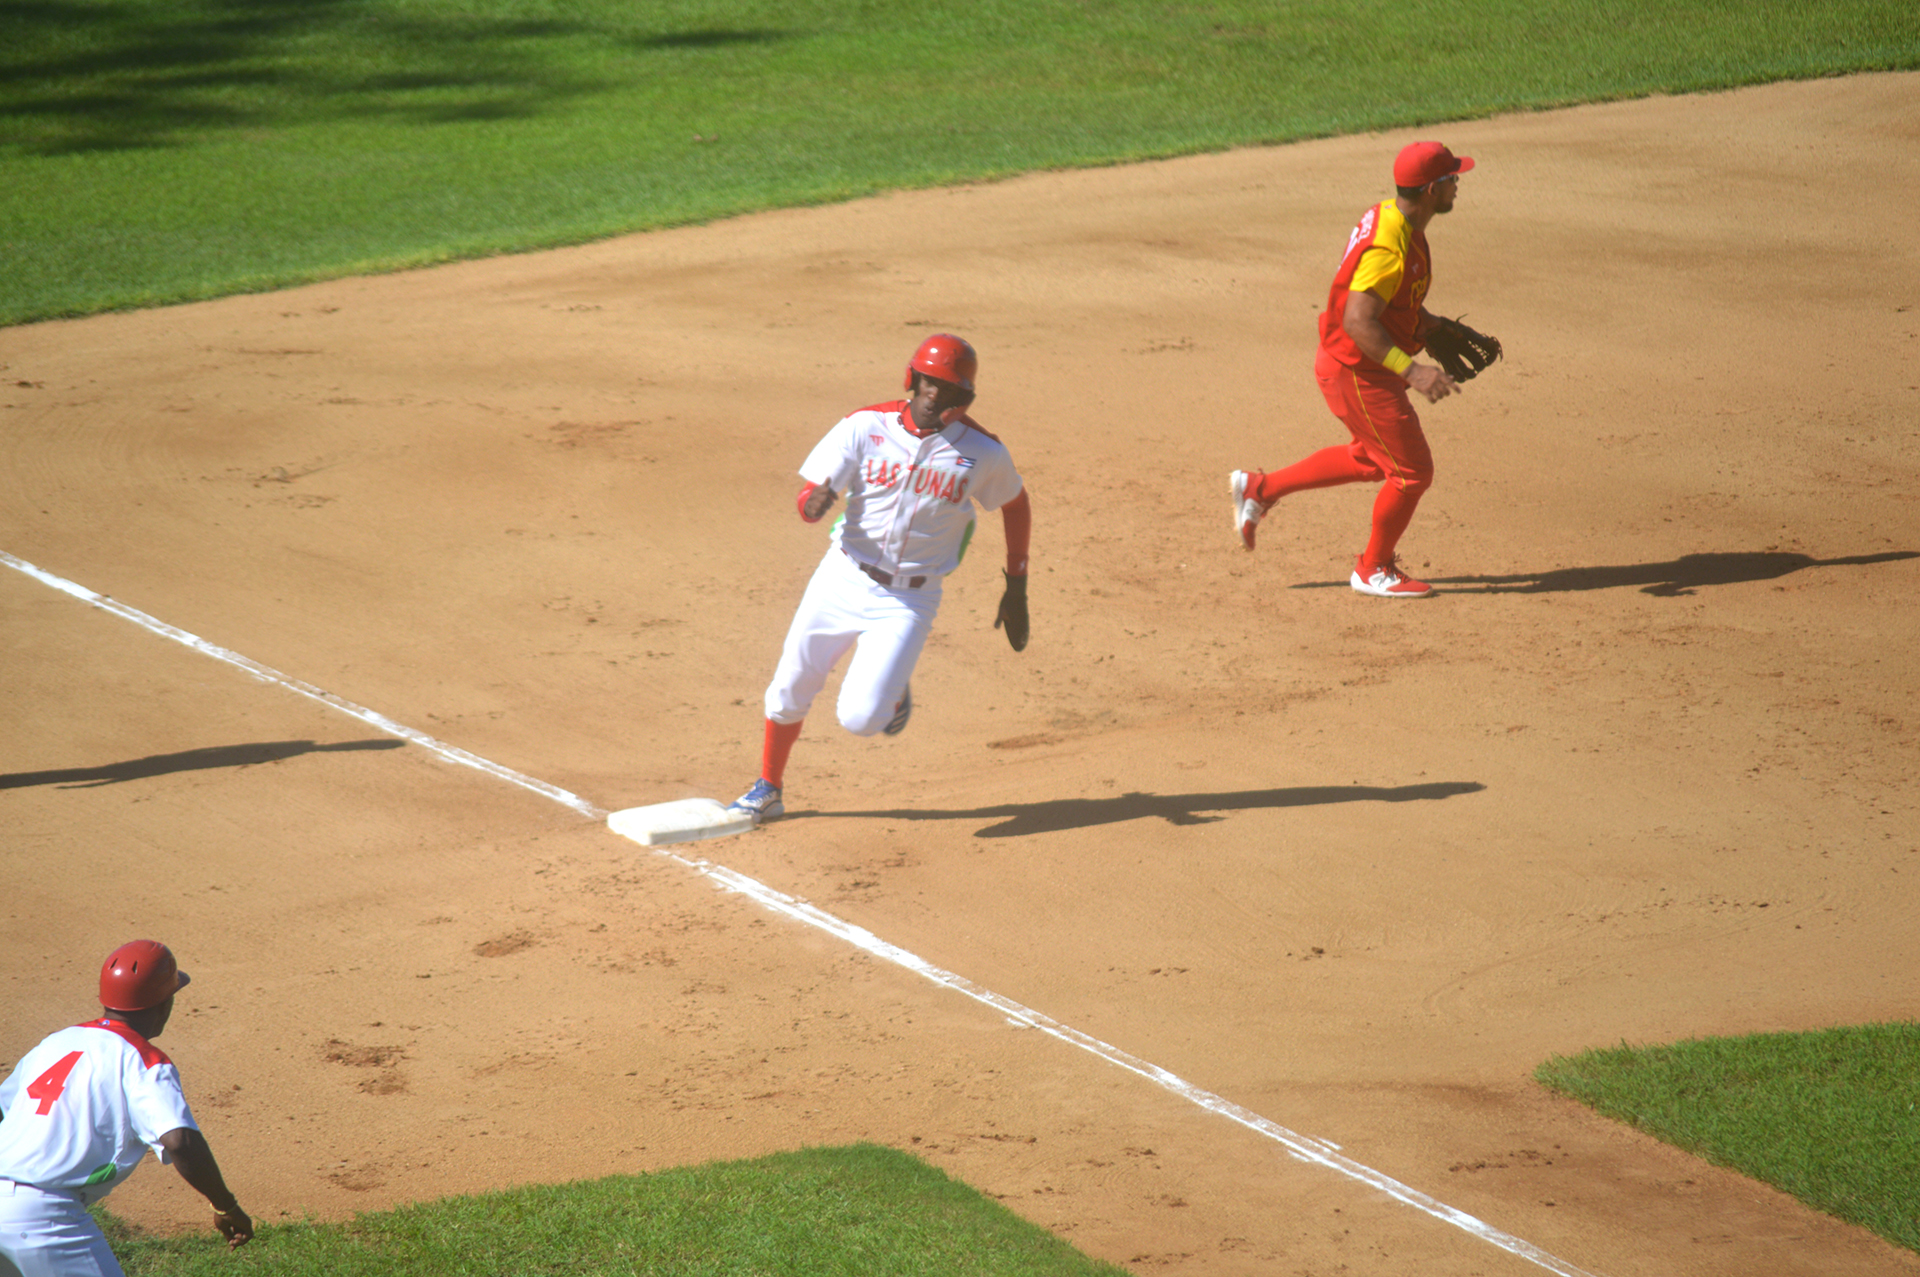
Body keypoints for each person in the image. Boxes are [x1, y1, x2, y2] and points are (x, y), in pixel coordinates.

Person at [727, 334, 1032, 825]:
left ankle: (890, 686)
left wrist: (1015, 583)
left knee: (861, 719)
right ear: (913, 380)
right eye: (929, 385)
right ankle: (768, 788)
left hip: (908, 600)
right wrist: (813, 504)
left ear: (964, 399)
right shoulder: (864, 426)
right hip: (842, 576)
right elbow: (810, 500)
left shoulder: (982, 452)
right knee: (788, 690)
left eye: (949, 391)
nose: (935, 397)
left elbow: (1015, 504)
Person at [1230, 140, 1477, 598]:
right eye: (1450, 179)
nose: (1457, 184)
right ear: (1429, 190)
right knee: (1411, 472)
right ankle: (1373, 569)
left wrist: (1432, 324)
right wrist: (1413, 372)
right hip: (1358, 370)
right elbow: (1359, 320)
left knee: (1371, 458)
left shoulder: (1396, 217)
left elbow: (1394, 302)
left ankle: (1259, 489)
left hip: (1360, 364)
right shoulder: (1389, 246)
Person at [0, 941, 252, 1276]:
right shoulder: (143, 1060)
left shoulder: (54, 1043)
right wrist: (225, 1205)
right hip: (46, 1218)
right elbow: (179, 1141)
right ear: (164, 1004)